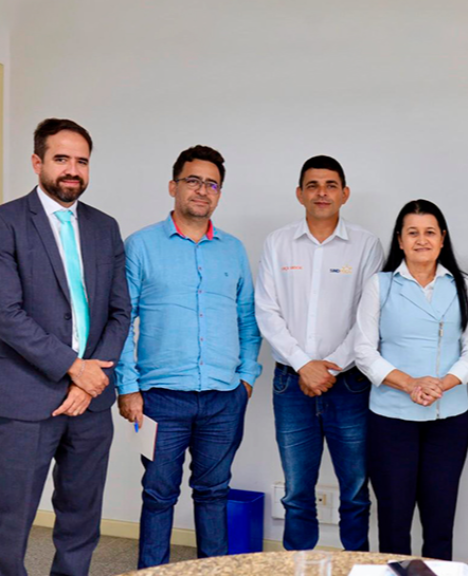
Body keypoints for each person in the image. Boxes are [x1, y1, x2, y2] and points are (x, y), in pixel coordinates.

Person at [115, 145, 262, 568]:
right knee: (159, 496)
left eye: (211, 184)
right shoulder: (140, 245)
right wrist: (128, 387)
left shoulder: (233, 249)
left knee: (214, 493)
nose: (202, 190)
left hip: (223, 397)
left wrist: (246, 378)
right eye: (193, 180)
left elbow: (248, 319)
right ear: (173, 186)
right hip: (161, 398)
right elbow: (120, 320)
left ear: (219, 193)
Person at [0, 119, 131, 576]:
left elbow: (121, 312)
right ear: (37, 162)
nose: (72, 170)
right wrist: (74, 368)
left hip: (90, 402)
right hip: (27, 398)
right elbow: (6, 313)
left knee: (81, 516)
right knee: (9, 521)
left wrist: (89, 380)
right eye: (61, 159)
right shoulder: (6, 222)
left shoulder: (105, 227)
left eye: (81, 161)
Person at [255, 155, 383, 551]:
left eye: (330, 185)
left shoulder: (366, 244)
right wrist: (304, 365)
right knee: (296, 492)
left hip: (350, 384)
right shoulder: (277, 243)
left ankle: (356, 567)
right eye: (312, 185)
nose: (321, 193)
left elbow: (369, 315)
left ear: (345, 193)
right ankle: (300, 566)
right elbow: (266, 312)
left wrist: (331, 367)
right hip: (291, 384)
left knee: (356, 491)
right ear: (299, 194)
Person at [354, 199, 468, 560]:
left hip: (448, 419)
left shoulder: (463, 285)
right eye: (412, 232)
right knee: (394, 523)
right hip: (391, 420)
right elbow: (363, 351)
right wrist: (410, 384)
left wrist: (441, 384)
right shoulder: (380, 285)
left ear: (442, 238)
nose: (421, 240)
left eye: (429, 232)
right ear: (400, 240)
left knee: (440, 523)